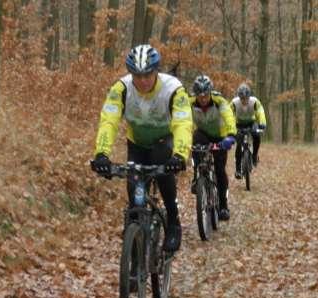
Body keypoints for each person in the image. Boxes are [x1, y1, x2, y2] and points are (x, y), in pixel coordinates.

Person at [91, 44, 193, 253]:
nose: (143, 80)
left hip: (164, 141)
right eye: (137, 75)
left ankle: (173, 221)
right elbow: (109, 120)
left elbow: (183, 123)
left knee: (164, 171)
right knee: (134, 192)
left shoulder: (173, 89)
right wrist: (102, 153)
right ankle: (135, 246)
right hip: (137, 143)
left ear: (157, 71)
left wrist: (180, 155)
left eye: (148, 74)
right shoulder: (121, 89)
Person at [189, 74, 237, 221]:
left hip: (221, 138)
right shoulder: (189, 103)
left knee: (219, 170)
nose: (203, 99)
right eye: (200, 96)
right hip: (203, 134)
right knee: (196, 139)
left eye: (206, 95)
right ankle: (198, 176)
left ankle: (223, 206)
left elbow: (229, 117)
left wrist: (230, 135)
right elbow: (183, 119)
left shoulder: (220, 102)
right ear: (195, 95)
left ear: (210, 93)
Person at [231, 83, 267, 178]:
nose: (244, 100)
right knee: (239, 144)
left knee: (256, 136)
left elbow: (260, 112)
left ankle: (254, 155)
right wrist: (231, 128)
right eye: (242, 98)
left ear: (249, 96)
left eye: (246, 98)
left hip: (251, 123)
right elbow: (229, 115)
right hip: (238, 124)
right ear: (239, 97)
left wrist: (262, 123)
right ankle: (238, 170)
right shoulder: (234, 103)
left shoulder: (254, 102)